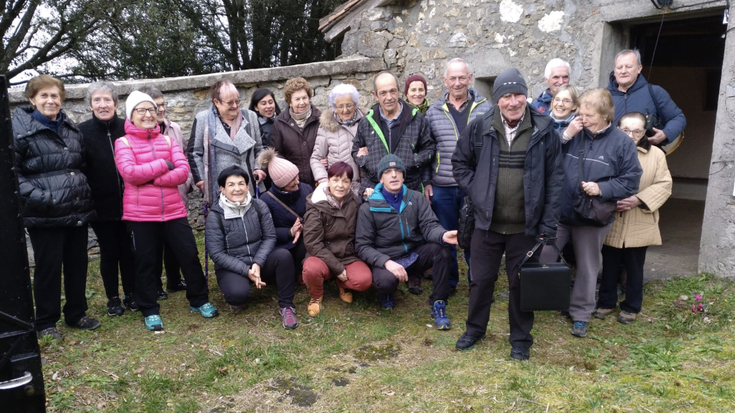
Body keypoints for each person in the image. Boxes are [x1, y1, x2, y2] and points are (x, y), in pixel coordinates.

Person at [451, 68, 563, 360]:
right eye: (506, 96)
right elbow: (460, 164)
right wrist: (477, 191)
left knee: (521, 284)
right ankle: (475, 329)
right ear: (497, 98)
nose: (513, 102)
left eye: (518, 95)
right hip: (486, 225)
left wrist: (548, 224)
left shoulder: (544, 129)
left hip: (526, 228)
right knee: (481, 280)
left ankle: (521, 338)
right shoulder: (480, 126)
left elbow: (555, 179)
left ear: (526, 95)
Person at [539, 88, 642, 339]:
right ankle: (537, 299)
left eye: (589, 115)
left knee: (587, 266)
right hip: (560, 211)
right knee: (543, 255)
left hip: (592, 217)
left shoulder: (622, 143)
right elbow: (544, 154)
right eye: (581, 112)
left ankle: (581, 315)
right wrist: (565, 134)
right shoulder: (574, 131)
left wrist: (603, 188)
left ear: (606, 115)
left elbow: (631, 181)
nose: (583, 118)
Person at [116, 91, 218, 331]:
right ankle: (149, 309)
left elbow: (183, 172)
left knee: (189, 255)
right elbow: (130, 173)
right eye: (141, 110)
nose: (148, 114)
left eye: (151, 109)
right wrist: (164, 165)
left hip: (173, 210)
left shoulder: (168, 140)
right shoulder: (124, 143)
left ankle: (199, 299)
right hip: (140, 215)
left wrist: (151, 179)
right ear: (131, 115)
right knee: (146, 262)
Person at [13, 75, 100, 340]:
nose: (50, 101)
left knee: (77, 264)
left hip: (75, 209)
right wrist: (44, 198)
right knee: (48, 268)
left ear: (61, 99)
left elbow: (81, 165)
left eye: (55, 96)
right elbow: (11, 176)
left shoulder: (70, 129)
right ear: (32, 99)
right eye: (44, 96)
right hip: (45, 212)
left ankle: (76, 313)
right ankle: (46, 322)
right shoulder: (20, 131)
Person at [355, 154, 458, 329]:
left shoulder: (416, 198)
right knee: (386, 282)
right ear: (381, 178)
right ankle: (387, 292)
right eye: (388, 172)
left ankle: (439, 303)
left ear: (403, 175)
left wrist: (442, 235)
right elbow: (362, 246)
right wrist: (386, 262)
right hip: (386, 260)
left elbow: (429, 225)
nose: (394, 175)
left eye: (397, 171)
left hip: (413, 255)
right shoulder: (368, 207)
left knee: (441, 251)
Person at [595, 112, 672, 324]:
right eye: (626, 130)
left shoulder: (655, 154)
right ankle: (606, 302)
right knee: (609, 263)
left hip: (640, 218)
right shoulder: (607, 149)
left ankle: (631, 306)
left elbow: (664, 184)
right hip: (611, 217)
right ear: (617, 129)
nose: (631, 135)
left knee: (635, 266)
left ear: (643, 132)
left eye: (637, 130)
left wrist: (638, 199)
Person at [424, 58, 490, 293]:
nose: (458, 82)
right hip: (443, 185)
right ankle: (449, 282)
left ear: (470, 79)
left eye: (462, 77)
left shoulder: (485, 108)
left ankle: (477, 283)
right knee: (446, 235)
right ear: (445, 81)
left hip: (475, 185)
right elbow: (427, 149)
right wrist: (427, 181)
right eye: (452, 78)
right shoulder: (433, 112)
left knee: (477, 237)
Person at [205, 166, 299, 329]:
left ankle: (286, 306)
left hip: (259, 260)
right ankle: (241, 289)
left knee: (284, 256)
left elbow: (270, 237)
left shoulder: (259, 206)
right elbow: (217, 253)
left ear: (248, 186)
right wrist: (246, 271)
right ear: (222, 188)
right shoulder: (215, 215)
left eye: (241, 184)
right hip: (233, 265)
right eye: (231, 185)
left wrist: (257, 263)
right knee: (238, 294)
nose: (237, 189)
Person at [79, 81, 137, 317]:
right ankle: (112, 297)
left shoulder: (128, 127)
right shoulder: (81, 131)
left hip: (131, 202)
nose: (103, 105)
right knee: (109, 252)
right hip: (100, 205)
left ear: (115, 103)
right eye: (97, 100)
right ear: (91, 105)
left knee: (129, 251)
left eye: (107, 100)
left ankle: (132, 293)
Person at [138, 85, 190, 300]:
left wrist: (187, 181)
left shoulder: (174, 129)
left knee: (174, 241)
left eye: (162, 105)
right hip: (151, 199)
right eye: (155, 106)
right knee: (155, 244)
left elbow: (183, 157)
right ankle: (156, 285)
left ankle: (174, 279)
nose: (160, 110)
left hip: (177, 193)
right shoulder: (138, 135)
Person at [302, 162, 372, 317]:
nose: (340, 185)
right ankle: (316, 296)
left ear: (350, 184)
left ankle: (342, 284)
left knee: (364, 281)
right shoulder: (317, 206)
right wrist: (338, 268)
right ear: (328, 181)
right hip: (323, 256)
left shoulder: (353, 202)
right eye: (336, 180)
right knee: (311, 269)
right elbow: (312, 243)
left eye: (345, 181)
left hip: (348, 255)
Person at [351, 71, 435, 198]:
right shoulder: (366, 122)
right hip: (376, 190)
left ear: (399, 91)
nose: (389, 97)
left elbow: (429, 147)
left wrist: (414, 161)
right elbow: (355, 150)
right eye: (383, 93)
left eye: (392, 91)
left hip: (410, 189)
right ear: (375, 95)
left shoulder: (416, 118)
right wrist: (366, 160)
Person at [187, 80, 265, 206]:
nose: (235, 106)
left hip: (247, 183)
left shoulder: (251, 117)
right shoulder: (203, 119)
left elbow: (261, 148)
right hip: (217, 184)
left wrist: (259, 168)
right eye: (230, 102)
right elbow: (194, 152)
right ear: (216, 102)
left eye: (237, 101)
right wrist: (201, 179)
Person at [607, 49, 686, 146]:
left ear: (639, 68)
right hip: (611, 156)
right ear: (614, 71)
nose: (623, 71)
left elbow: (678, 118)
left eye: (628, 67)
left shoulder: (654, 92)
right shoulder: (604, 97)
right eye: (619, 67)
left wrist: (665, 133)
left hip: (645, 154)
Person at [257, 148, 314, 283]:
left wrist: (305, 226)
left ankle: (304, 271)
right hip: (282, 243)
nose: (297, 182)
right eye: (291, 181)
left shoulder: (306, 189)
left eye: (297, 176)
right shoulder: (266, 200)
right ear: (280, 184)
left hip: (306, 235)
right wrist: (290, 232)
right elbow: (265, 232)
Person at [310, 84, 364, 196]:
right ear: (334, 106)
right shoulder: (326, 126)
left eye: (349, 105)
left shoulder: (367, 122)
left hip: (364, 187)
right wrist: (323, 179)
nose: (345, 110)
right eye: (340, 106)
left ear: (355, 104)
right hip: (339, 189)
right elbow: (316, 158)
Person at [271, 77, 322, 187]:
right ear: (289, 101)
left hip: (319, 178)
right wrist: (288, 171)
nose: (302, 102)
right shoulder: (280, 122)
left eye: (305, 98)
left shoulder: (320, 119)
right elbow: (276, 152)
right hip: (294, 182)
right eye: (297, 99)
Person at [249, 88, 281, 191]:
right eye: (263, 103)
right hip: (263, 173)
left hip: (282, 168)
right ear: (256, 107)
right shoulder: (251, 126)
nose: (268, 106)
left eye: (270, 102)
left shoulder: (282, 121)